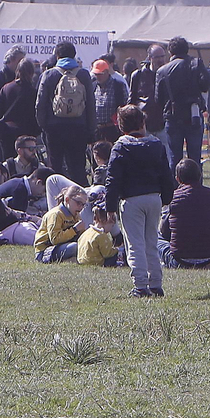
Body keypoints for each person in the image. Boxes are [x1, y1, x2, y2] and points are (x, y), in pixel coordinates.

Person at [105, 105, 175, 296]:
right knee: (152, 242)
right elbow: (166, 175)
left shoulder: (120, 147)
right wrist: (168, 199)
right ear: (143, 122)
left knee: (135, 244)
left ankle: (140, 285)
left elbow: (113, 179)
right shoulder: (156, 145)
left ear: (121, 126)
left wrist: (109, 207)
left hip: (131, 200)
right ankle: (156, 284)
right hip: (154, 198)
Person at [36, 42, 95, 183]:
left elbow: (40, 103)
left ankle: (55, 199)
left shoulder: (49, 74)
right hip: (79, 127)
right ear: (74, 55)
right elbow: (91, 104)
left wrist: (44, 126)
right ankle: (81, 201)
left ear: (57, 56)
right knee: (78, 169)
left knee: (55, 168)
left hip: (54, 127)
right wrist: (91, 129)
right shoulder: (84, 74)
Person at [156, 37, 208, 167]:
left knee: (174, 158)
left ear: (170, 52)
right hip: (193, 115)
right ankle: (195, 186)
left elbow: (158, 99)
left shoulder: (162, 71)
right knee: (195, 157)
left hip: (172, 116)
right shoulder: (196, 63)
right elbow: (205, 85)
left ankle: (175, 186)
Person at [159, 158, 210, 269]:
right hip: (209, 260)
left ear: (177, 179)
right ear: (199, 174)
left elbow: (164, 231)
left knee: (157, 238)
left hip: (180, 261)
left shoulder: (173, 197)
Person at [34, 184, 86, 263]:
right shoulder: (55, 214)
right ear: (67, 200)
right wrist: (75, 229)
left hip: (61, 247)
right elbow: (55, 239)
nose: (81, 207)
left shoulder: (76, 215)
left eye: (83, 204)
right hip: (45, 251)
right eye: (78, 203)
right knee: (75, 247)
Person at [77, 197, 123, 267]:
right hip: (96, 262)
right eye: (111, 225)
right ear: (105, 221)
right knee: (120, 253)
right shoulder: (101, 235)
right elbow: (108, 253)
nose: (111, 229)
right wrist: (118, 250)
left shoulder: (87, 232)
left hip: (83, 260)